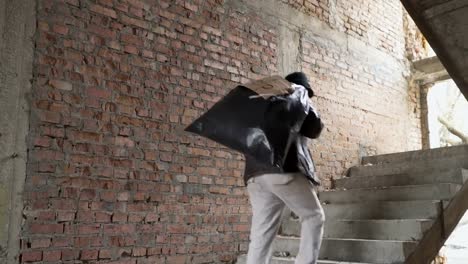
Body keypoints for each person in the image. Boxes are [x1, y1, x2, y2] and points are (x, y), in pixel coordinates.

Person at [244, 72, 325, 264]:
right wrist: (304, 96)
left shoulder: (264, 102)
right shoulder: (297, 96)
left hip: (255, 174)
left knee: (262, 233)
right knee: (314, 216)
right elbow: (315, 128)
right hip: (282, 170)